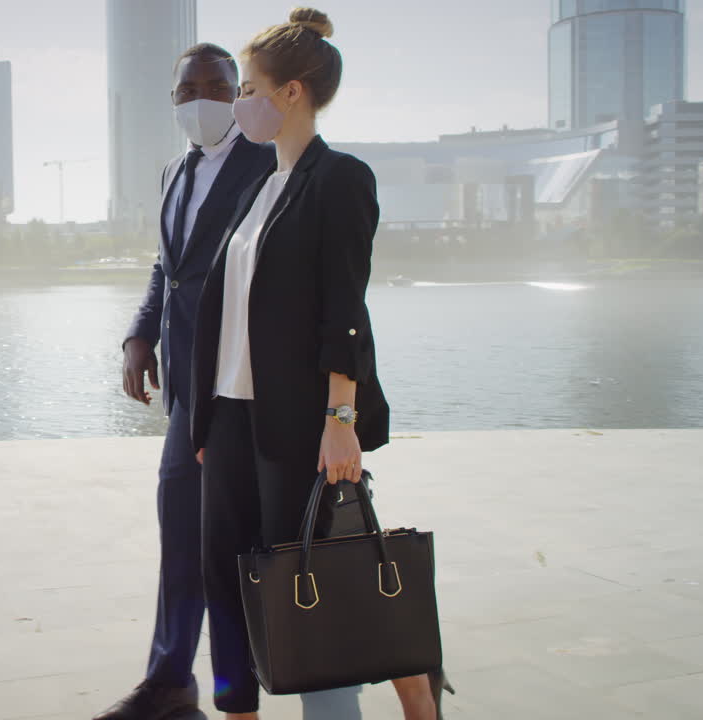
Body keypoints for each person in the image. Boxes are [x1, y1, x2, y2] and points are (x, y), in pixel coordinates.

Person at [188, 8, 441, 720]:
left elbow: (345, 312)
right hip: (232, 422)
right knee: (228, 580)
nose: (239, 104)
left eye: (248, 88)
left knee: (311, 580)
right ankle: (241, 709)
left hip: (302, 423)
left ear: (291, 92)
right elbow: (229, 313)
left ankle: (364, 704)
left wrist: (341, 418)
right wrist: (208, 420)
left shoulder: (340, 179)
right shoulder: (256, 190)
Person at [97, 43, 277, 720]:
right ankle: (174, 682)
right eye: (186, 89)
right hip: (186, 388)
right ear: (173, 99)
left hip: (243, 386)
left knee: (242, 547)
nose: (200, 98)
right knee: (185, 533)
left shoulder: (268, 164)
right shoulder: (176, 169)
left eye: (216, 85)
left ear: (240, 92)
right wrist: (139, 335)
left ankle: (241, 689)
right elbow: (165, 267)